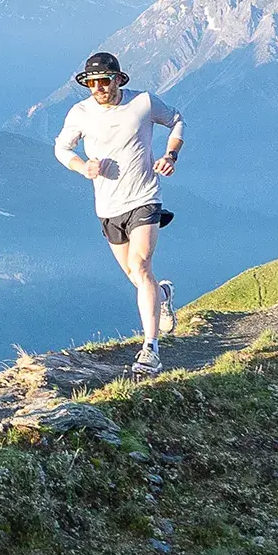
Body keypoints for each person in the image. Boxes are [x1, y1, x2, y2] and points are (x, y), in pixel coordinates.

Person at [55, 51, 183, 376]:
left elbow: (177, 120)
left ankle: (150, 351)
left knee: (141, 267)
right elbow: (61, 148)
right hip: (108, 208)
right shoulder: (80, 113)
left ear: (118, 78)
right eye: (92, 83)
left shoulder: (142, 102)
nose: (99, 88)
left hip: (144, 198)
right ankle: (163, 293)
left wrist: (171, 155)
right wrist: (84, 167)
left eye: (105, 80)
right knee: (136, 277)